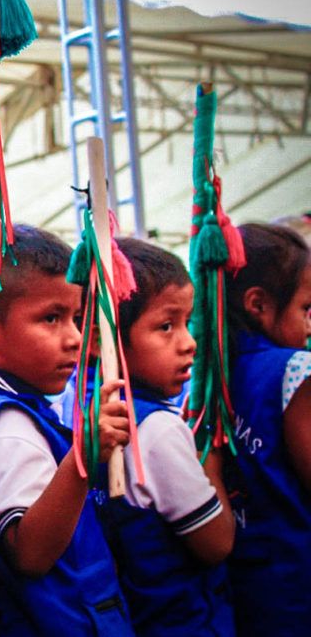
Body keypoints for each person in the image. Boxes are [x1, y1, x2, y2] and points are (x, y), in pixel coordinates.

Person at [0, 224, 133, 636]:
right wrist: (83, 458)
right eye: (51, 318)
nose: (74, 338)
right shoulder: (8, 424)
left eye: (77, 318)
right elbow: (29, 552)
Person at [98, 238, 234, 636]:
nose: (189, 342)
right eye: (166, 326)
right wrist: (210, 459)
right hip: (185, 621)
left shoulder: (85, 406)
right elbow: (216, 543)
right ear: (111, 340)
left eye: (188, 323)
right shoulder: (156, 429)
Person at [224, 223, 311, 635]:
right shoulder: (295, 368)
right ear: (257, 304)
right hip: (299, 576)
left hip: (245, 584)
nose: (310, 325)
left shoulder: (204, 377)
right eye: (307, 309)